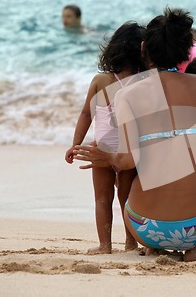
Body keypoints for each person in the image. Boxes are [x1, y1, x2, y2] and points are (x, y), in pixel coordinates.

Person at [73, 8, 196, 261]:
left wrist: (108, 158)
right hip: (195, 229)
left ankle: (154, 245)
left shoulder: (127, 95)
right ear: (188, 50)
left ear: (145, 50)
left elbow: (127, 161)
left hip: (142, 227)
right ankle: (193, 249)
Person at [65, 22, 146, 254]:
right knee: (127, 199)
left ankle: (105, 245)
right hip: (129, 153)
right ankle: (131, 243)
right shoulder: (143, 82)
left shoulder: (101, 81)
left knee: (102, 199)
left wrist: (76, 144)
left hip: (100, 150)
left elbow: (85, 114)